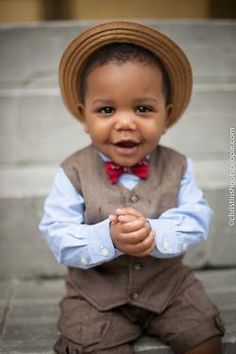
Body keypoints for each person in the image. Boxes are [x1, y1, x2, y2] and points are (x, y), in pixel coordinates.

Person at [39, 21, 225, 354]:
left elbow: (197, 220)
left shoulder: (179, 166)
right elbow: (58, 234)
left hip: (169, 287)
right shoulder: (72, 172)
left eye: (143, 108)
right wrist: (106, 238)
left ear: (165, 117)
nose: (126, 122)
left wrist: (153, 232)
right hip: (95, 295)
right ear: (85, 117)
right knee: (91, 343)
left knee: (205, 338)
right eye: (107, 109)